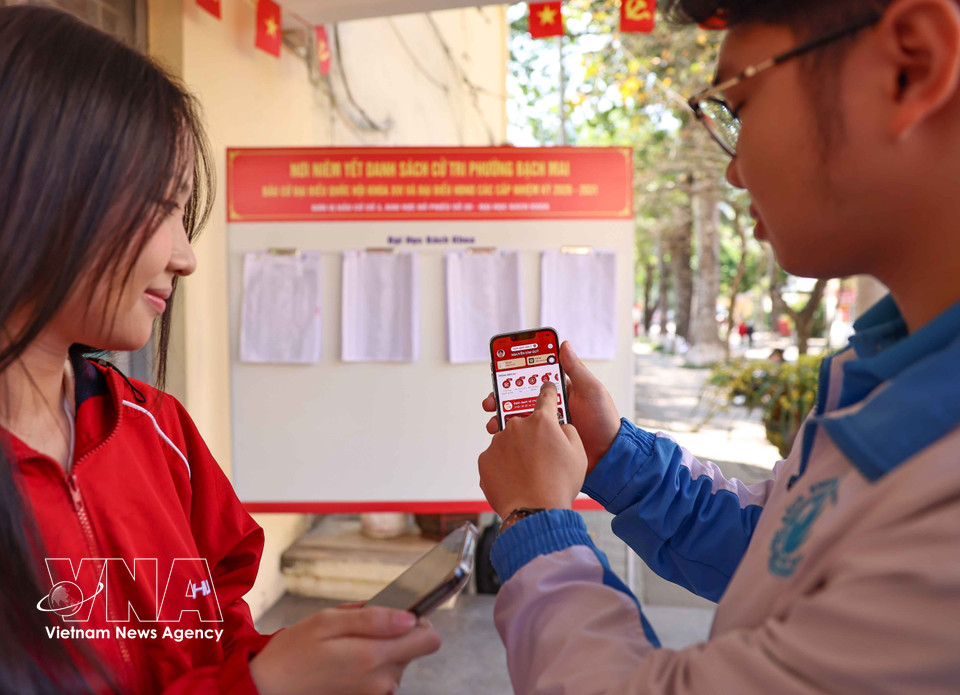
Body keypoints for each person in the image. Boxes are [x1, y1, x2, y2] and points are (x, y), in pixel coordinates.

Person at [477, 0, 960, 692]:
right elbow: (782, 545)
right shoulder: (887, 374)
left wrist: (536, 523)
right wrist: (615, 456)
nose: (734, 170)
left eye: (739, 101)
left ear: (910, 66)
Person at [0, 7, 439, 694]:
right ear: (41, 191)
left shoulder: (159, 430)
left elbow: (216, 634)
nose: (185, 256)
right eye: (163, 205)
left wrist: (296, 658)